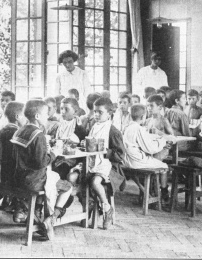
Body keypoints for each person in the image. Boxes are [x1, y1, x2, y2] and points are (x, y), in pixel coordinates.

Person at [11, 100, 73, 240]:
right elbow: (41, 163)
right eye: (46, 114)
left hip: (19, 178)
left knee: (53, 177)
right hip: (34, 181)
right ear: (38, 116)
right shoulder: (37, 135)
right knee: (68, 187)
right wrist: (54, 153)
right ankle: (51, 218)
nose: (48, 116)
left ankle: (38, 216)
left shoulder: (19, 130)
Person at [80, 97, 126, 230]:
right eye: (95, 112)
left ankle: (107, 209)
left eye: (100, 112)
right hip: (93, 162)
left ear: (109, 113)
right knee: (77, 178)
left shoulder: (113, 131)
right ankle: (88, 207)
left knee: (95, 182)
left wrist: (105, 151)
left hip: (109, 165)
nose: (96, 115)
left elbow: (120, 155)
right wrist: (86, 144)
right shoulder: (94, 126)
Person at [123, 104, 177, 204]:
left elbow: (145, 140)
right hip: (136, 162)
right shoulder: (138, 128)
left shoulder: (127, 127)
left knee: (152, 161)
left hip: (127, 160)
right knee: (164, 166)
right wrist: (163, 141)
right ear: (143, 116)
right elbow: (150, 148)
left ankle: (149, 193)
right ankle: (162, 192)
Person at [0, 102, 26, 217]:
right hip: (9, 176)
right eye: (25, 115)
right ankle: (20, 210)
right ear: (18, 117)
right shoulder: (17, 133)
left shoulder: (1, 130)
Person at [51, 98, 87, 180]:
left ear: (75, 111)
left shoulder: (78, 125)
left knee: (61, 170)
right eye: (61, 109)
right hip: (59, 156)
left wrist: (80, 128)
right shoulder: (60, 123)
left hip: (73, 159)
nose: (63, 112)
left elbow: (82, 142)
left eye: (66, 109)